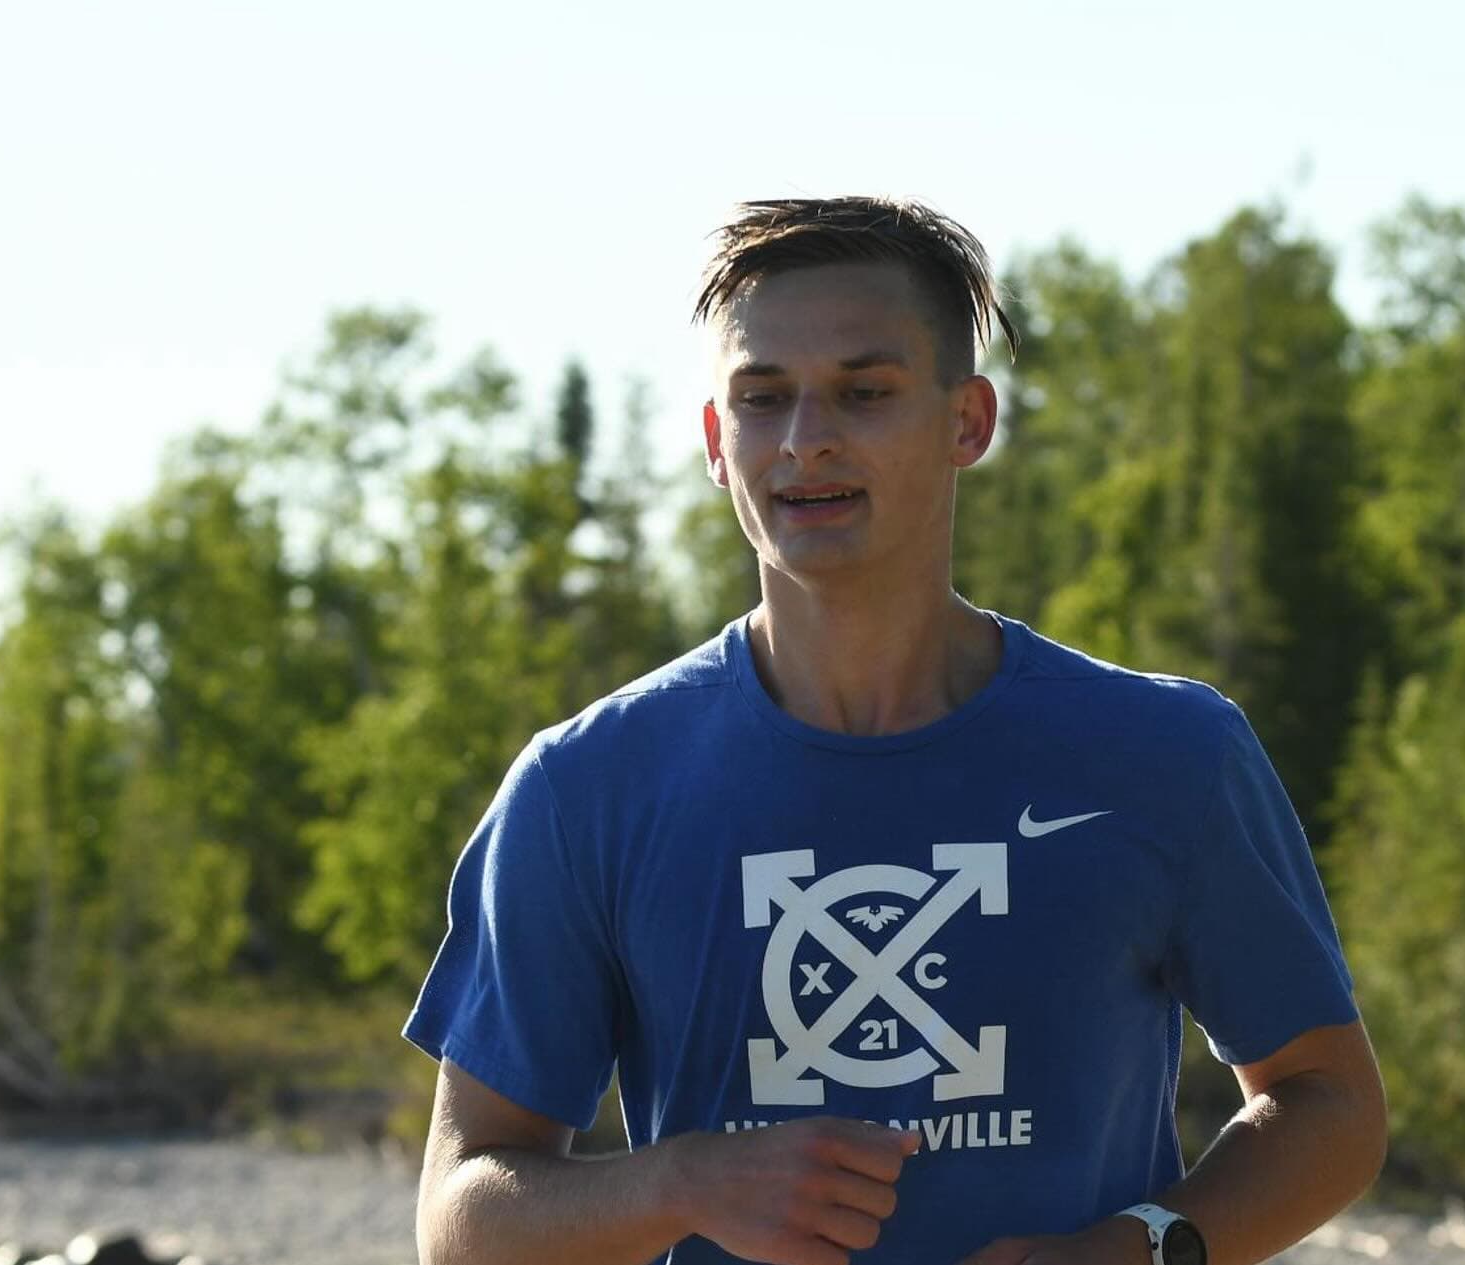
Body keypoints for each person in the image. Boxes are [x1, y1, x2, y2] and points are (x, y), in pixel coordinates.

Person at [404, 197, 1385, 1265]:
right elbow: (461, 1218)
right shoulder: (586, 786)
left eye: (862, 393)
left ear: (967, 419)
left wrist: (1137, 1248)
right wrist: (679, 1181)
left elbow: (1327, 1100)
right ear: (714, 442)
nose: (806, 438)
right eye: (762, 397)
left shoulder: (1166, 754)